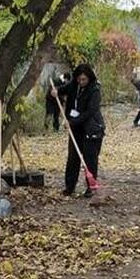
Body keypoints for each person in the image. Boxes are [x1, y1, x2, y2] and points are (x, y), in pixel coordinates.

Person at [52, 64, 105, 198]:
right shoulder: (74, 86)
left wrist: (72, 121)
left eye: (84, 80)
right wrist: (55, 91)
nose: (81, 82)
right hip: (75, 129)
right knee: (73, 158)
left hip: (91, 128)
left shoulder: (94, 90)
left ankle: (90, 186)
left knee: (90, 158)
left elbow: (90, 111)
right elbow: (61, 90)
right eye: (79, 79)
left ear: (89, 78)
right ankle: (70, 186)